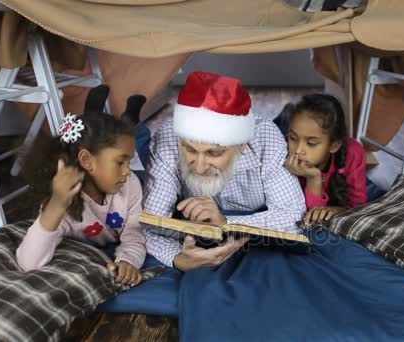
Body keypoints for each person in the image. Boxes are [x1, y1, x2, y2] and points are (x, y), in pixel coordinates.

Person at [142, 71, 306, 271]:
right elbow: (149, 223)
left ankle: (285, 115)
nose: (200, 167)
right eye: (190, 150)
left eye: (214, 153)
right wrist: (177, 258)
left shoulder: (265, 138)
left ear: (242, 144)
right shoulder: (169, 136)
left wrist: (226, 222)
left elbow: (292, 212)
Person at [16, 85, 147, 287]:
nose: (127, 171)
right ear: (86, 160)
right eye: (120, 163)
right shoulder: (63, 199)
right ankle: (100, 111)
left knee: (141, 142)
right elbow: (28, 262)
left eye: (127, 162)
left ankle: (131, 114)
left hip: (140, 177)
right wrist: (57, 203)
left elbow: (134, 231)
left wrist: (128, 260)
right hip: (82, 176)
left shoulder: (130, 183)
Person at [284, 94, 368, 222]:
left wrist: (338, 210)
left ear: (334, 145)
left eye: (311, 143)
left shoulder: (353, 153)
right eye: (293, 138)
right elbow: (307, 216)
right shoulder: (282, 155)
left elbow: (358, 207)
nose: (298, 150)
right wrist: (313, 178)